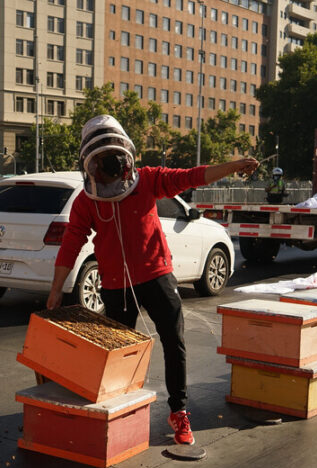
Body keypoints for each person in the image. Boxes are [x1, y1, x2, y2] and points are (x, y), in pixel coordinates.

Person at [46, 115, 259, 446]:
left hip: (157, 275)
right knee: (119, 351)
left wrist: (234, 166)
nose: (111, 171)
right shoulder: (87, 200)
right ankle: (121, 410)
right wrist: (56, 289)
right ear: (92, 165)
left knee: (174, 342)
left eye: (114, 164)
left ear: (126, 159)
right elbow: (72, 242)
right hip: (116, 285)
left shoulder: (148, 181)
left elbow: (193, 176)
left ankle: (179, 411)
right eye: (103, 165)